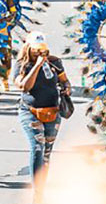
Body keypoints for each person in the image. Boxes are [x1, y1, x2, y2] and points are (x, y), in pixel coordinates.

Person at [12, 32, 69, 189]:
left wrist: (66, 89)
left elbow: (65, 81)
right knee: (38, 147)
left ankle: (41, 189)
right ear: (28, 48)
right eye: (36, 49)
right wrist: (37, 65)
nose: (39, 52)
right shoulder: (21, 65)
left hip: (52, 112)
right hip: (30, 112)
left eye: (42, 49)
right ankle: (37, 189)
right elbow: (24, 86)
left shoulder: (55, 62)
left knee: (46, 153)